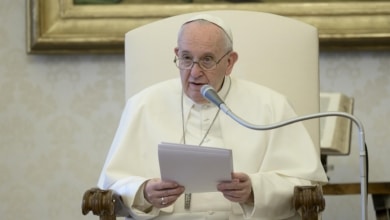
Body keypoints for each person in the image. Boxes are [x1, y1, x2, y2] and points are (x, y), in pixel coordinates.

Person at [98, 14, 328, 220]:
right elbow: (112, 187)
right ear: (177, 54)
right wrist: (144, 192)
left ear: (229, 62)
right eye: (186, 58)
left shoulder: (271, 105)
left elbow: (305, 187)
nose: (195, 72)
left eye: (207, 59)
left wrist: (254, 190)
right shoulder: (143, 105)